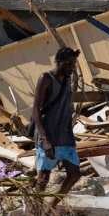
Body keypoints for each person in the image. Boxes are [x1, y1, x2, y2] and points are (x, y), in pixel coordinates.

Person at [33, 47, 81, 197]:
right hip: (49, 135)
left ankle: (51, 208)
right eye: (68, 64)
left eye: (73, 65)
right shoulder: (46, 78)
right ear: (58, 62)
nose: (71, 68)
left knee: (74, 175)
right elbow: (35, 109)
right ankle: (36, 213)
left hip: (65, 135)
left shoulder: (67, 80)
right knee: (43, 178)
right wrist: (44, 139)